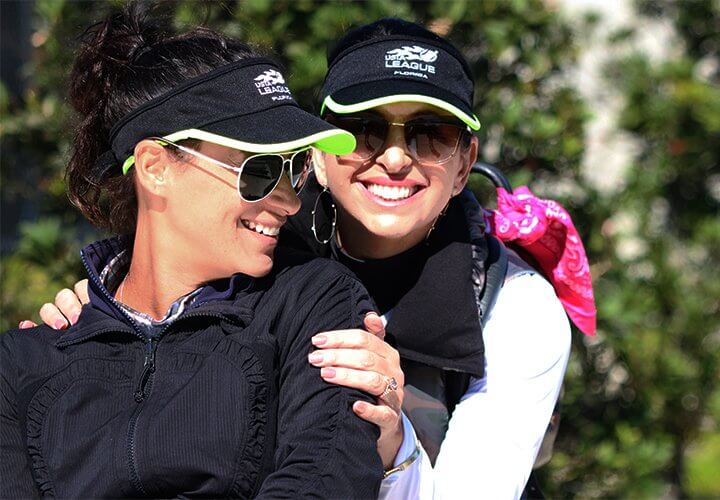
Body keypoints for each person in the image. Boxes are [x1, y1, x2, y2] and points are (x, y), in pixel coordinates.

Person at [26, 18, 596, 500]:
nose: (395, 158)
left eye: (431, 135)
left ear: (465, 164)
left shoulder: (516, 309)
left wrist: (391, 444)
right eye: (365, 129)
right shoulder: (251, 240)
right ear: (320, 152)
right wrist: (104, 317)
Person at [1, 7, 384, 498]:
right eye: (260, 170)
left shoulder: (316, 304)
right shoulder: (23, 362)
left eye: (295, 169)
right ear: (155, 167)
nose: (289, 201)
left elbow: (323, 481)